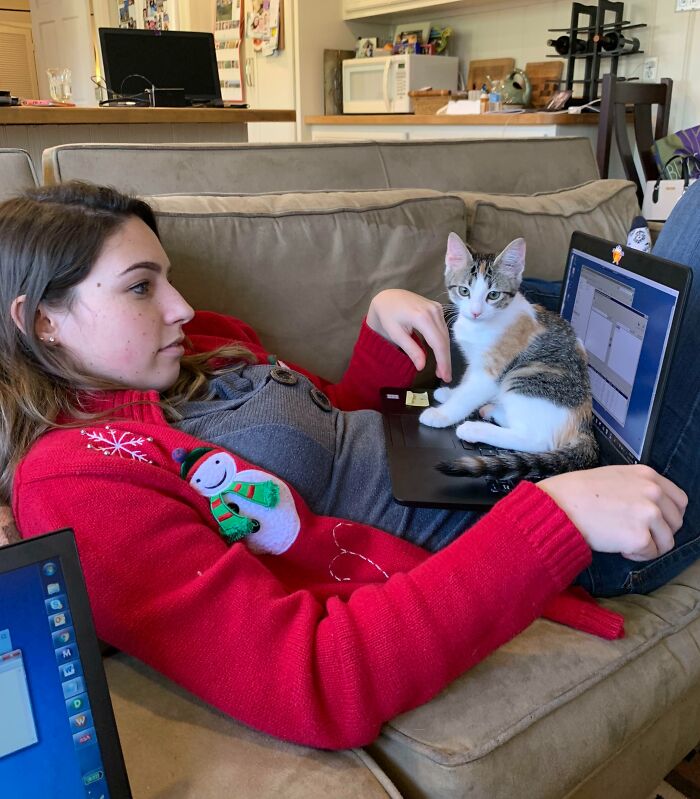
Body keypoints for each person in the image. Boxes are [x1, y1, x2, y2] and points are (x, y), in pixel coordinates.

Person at [0, 181, 692, 750]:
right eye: (141, 288)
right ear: (43, 321)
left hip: (512, 444)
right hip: (576, 535)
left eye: (169, 277)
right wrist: (556, 519)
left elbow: (332, 431)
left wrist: (382, 329)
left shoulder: (193, 346)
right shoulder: (78, 482)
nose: (182, 306)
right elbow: (312, 683)